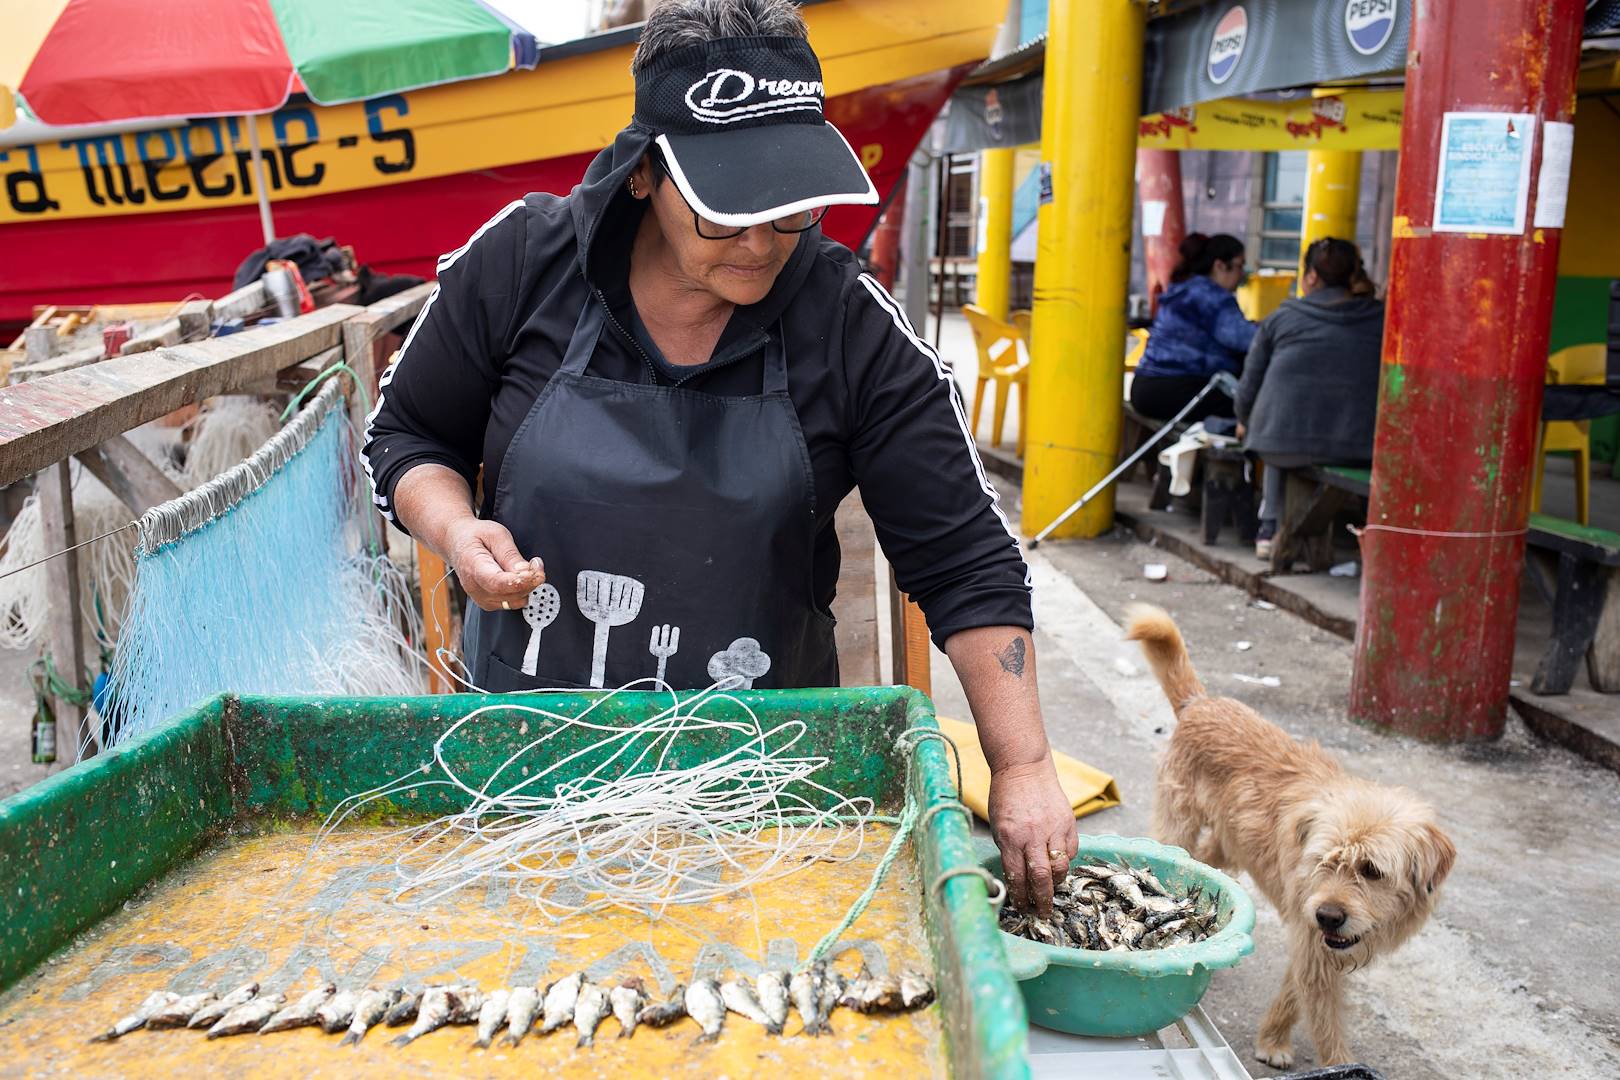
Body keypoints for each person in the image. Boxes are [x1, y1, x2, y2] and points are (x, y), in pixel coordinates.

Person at [361, 0, 1074, 913]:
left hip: (758, 792)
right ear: (644, 177)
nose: (761, 244)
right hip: (520, 767)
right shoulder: (523, 263)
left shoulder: (847, 324)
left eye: (790, 213)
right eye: (726, 215)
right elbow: (409, 436)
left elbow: (965, 560)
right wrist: (455, 527)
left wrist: (1025, 765)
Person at [1235, 237, 1384, 559]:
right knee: (1295, 420)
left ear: (1312, 276)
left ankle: (1269, 525)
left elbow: (1249, 386)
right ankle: (1374, 532)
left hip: (1283, 446)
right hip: (1359, 446)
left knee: (1281, 427)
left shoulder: (1283, 317)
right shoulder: (1380, 318)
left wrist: (1245, 421)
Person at [1129, 233, 1257, 422]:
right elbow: (1247, 340)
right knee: (1254, 405)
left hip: (1144, 388)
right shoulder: (1212, 297)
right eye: (1240, 266)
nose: (1242, 275)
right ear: (1219, 265)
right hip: (1174, 389)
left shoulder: (1184, 288)